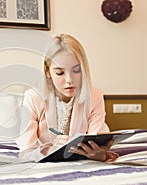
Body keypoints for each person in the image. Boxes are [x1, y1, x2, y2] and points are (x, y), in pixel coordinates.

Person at [16, 34, 118, 162]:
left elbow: (96, 142)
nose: (69, 80)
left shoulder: (95, 96)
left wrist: (100, 156)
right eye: (60, 73)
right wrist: (48, 152)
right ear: (47, 72)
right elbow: (26, 153)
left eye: (76, 70)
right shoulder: (33, 98)